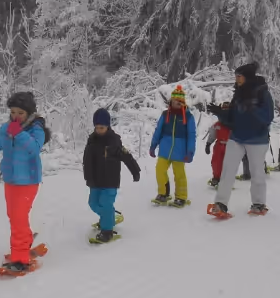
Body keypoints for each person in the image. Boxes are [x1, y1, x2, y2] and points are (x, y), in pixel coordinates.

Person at [0, 91, 51, 274]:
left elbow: (35, 149)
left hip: (28, 181)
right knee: (13, 216)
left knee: (18, 218)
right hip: (11, 180)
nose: (15, 116)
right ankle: (24, 242)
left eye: (20, 113)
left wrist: (20, 133)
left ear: (29, 113)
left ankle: (20, 259)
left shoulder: (36, 129)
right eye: (13, 112)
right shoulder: (6, 128)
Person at [206, 62, 274, 217]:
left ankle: (258, 203)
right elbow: (232, 119)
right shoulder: (239, 92)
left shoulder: (262, 93)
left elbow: (268, 117)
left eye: (239, 76)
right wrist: (220, 113)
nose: (236, 79)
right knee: (227, 170)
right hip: (237, 137)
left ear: (247, 77)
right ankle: (220, 204)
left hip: (257, 139)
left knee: (257, 172)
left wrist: (253, 109)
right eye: (236, 76)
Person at [83, 108, 141, 243]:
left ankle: (107, 230)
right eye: (97, 127)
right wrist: (88, 177)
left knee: (105, 203)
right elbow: (87, 161)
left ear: (108, 126)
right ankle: (108, 217)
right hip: (95, 181)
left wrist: (135, 170)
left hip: (110, 181)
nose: (99, 130)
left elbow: (126, 156)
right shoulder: (92, 141)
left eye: (102, 127)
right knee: (93, 204)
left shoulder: (114, 142)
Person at [149, 85, 196, 208]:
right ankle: (163, 193)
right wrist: (153, 145)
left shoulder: (188, 116)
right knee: (160, 170)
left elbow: (191, 135)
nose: (178, 103)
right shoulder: (165, 114)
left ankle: (181, 197)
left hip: (180, 151)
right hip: (165, 149)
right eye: (176, 100)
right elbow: (158, 130)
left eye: (180, 101)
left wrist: (190, 151)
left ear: (183, 102)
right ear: (171, 101)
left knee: (179, 174)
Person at [205, 102, 230, 188]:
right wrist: (208, 144)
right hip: (219, 145)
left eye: (227, 109)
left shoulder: (234, 124)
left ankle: (227, 179)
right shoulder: (217, 125)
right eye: (224, 109)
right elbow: (212, 134)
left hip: (230, 146)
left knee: (228, 163)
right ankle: (216, 178)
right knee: (216, 162)